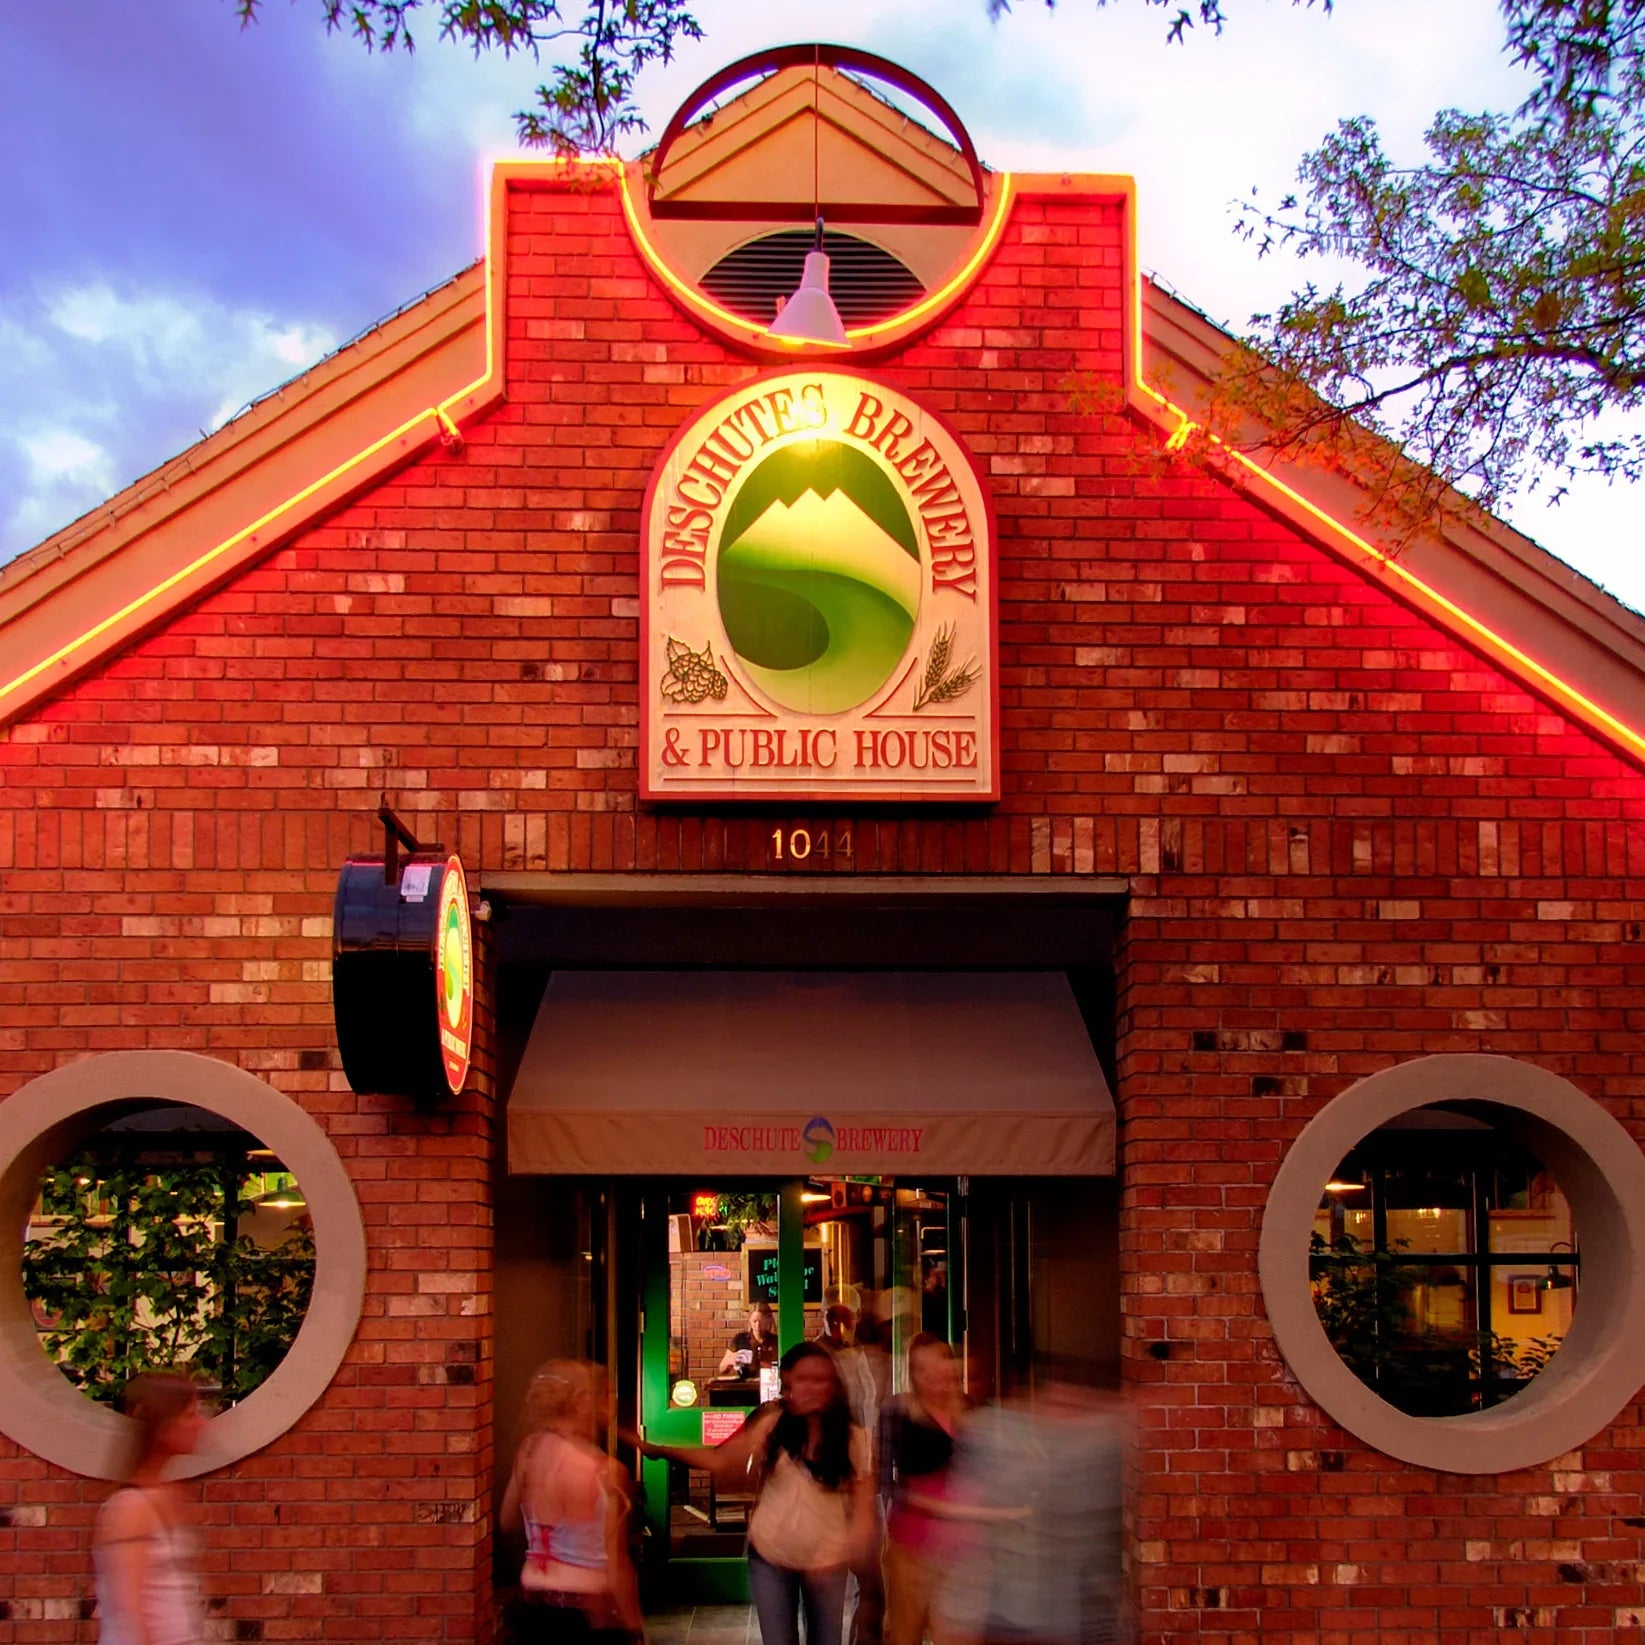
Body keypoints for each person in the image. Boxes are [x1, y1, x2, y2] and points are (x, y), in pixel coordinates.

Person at [638, 1342, 874, 1645]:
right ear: (788, 1385)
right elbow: (721, 1460)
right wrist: (660, 1450)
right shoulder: (772, 1425)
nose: (812, 1388)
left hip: (826, 1562)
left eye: (821, 1380)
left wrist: (853, 1561)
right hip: (772, 1556)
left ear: (834, 1387)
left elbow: (864, 1515)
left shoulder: (855, 1439)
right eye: (802, 1380)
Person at [501, 1361, 642, 1645]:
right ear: (581, 1402)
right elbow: (617, 1565)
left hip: (531, 1610)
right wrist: (633, 1627)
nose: (613, 1399)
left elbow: (507, 1520)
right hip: (586, 1616)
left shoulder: (529, 1451)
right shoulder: (605, 1471)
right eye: (606, 1392)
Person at [93, 1368, 211, 1645]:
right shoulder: (130, 1508)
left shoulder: (166, 1494)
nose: (201, 1424)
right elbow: (128, 1614)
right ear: (162, 1425)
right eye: (190, 1414)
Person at [879, 1335, 964, 1645]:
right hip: (911, 1545)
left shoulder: (969, 1412)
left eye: (938, 1364)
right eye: (921, 1370)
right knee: (905, 1634)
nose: (932, 1376)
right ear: (912, 1375)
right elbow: (887, 1480)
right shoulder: (899, 1411)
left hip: (960, 1547)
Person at [718, 1301, 780, 1380]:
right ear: (750, 1321)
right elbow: (722, 1369)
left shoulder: (776, 1341)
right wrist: (731, 1360)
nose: (757, 1326)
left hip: (769, 1384)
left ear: (768, 1321)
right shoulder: (740, 1339)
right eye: (755, 1321)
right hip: (745, 1387)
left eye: (761, 1322)